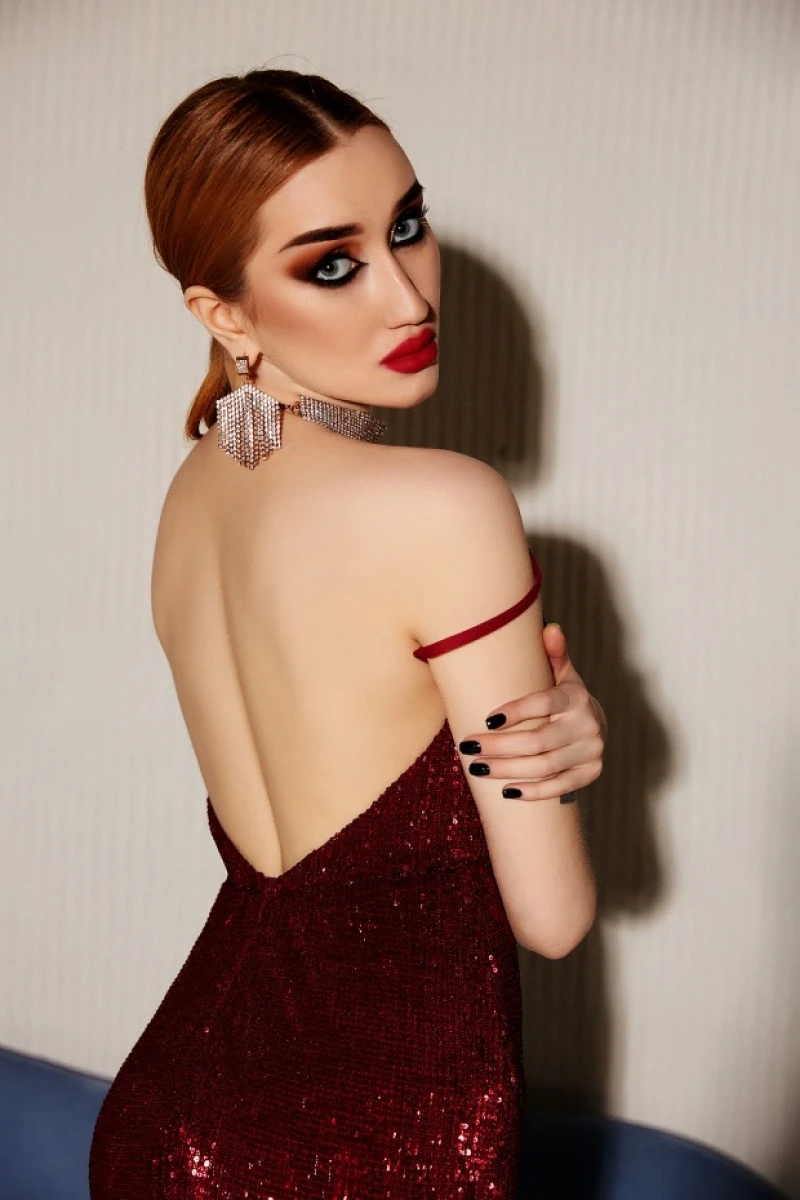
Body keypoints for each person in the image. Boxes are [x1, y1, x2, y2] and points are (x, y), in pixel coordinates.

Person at [89, 68, 603, 1199]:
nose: (409, 298)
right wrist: (566, 752)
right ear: (222, 314)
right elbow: (555, 919)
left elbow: (256, 440)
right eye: (333, 264)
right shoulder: (446, 504)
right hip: (361, 1140)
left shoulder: (197, 489)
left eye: (407, 227)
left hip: (168, 1113)